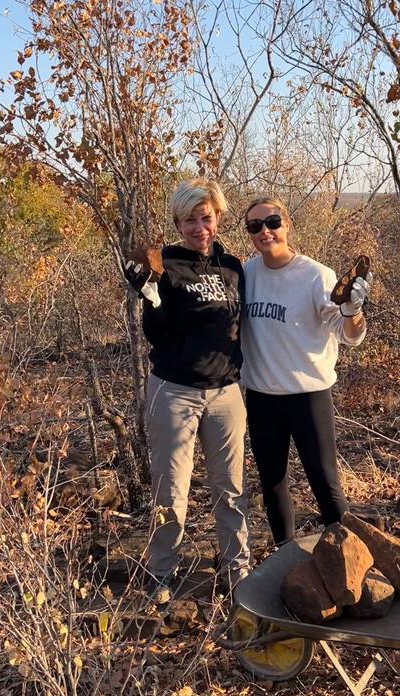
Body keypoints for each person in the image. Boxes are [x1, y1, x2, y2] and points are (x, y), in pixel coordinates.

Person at [124, 178, 250, 604]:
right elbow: (156, 335)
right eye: (190, 220)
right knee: (171, 489)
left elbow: (244, 326)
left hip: (226, 392)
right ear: (178, 223)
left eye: (207, 218)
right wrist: (150, 295)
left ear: (218, 218)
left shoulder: (234, 267)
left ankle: (238, 571)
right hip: (175, 391)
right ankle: (161, 572)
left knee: (230, 488)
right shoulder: (167, 265)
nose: (200, 227)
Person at [240, 197, 370, 545]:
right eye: (255, 226)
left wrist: (353, 310)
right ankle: (286, 556)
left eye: (272, 222)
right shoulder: (247, 274)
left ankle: (349, 564)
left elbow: (350, 335)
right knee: (272, 483)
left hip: (308, 396)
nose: (265, 231)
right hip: (262, 397)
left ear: (287, 223)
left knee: (324, 482)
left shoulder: (315, 275)